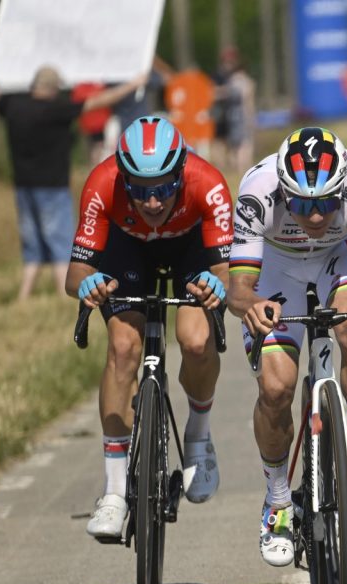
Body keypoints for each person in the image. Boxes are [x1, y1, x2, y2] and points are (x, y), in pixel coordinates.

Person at [227, 128, 347, 568]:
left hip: (336, 259)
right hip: (275, 268)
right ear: (283, 192)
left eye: (326, 204)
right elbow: (238, 290)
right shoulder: (257, 192)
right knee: (276, 388)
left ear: (341, 188)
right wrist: (252, 305)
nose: (314, 216)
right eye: (303, 204)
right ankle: (277, 502)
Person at [68, 116, 233, 540]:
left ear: (181, 171)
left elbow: (230, 273)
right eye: (140, 190)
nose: (154, 201)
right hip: (127, 252)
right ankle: (115, 490)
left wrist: (220, 285)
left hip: (190, 251)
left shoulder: (208, 182)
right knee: (124, 348)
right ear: (123, 179)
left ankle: (198, 437)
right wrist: (85, 285)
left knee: (196, 342)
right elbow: (76, 272)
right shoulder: (102, 183)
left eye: (163, 187)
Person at [0, 67, 145, 303]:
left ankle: (24, 295)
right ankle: (61, 293)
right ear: (54, 88)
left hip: (23, 187)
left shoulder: (15, 106)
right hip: (52, 186)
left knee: (32, 243)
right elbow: (97, 102)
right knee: (59, 240)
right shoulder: (56, 109)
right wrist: (132, 84)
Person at [213, 47, 257, 172]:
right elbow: (248, 103)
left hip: (230, 116)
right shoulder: (246, 82)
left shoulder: (230, 82)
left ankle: (235, 167)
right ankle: (243, 168)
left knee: (234, 145)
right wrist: (251, 118)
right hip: (241, 116)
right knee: (245, 144)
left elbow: (217, 93)